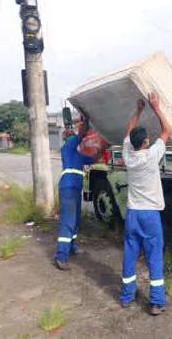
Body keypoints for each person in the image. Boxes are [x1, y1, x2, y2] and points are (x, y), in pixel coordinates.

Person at [120, 92, 171, 315]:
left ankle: (126, 296)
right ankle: (156, 302)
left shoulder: (128, 155)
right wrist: (156, 107)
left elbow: (129, 132)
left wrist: (139, 109)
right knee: (154, 257)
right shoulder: (151, 156)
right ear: (145, 142)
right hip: (150, 215)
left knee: (130, 255)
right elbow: (167, 131)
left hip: (132, 214)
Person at [55, 113, 110, 271]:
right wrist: (83, 126)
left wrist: (103, 148)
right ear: (66, 138)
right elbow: (79, 137)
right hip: (68, 189)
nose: (71, 134)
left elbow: (93, 159)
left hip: (74, 190)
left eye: (72, 133)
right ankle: (61, 257)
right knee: (68, 221)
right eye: (68, 134)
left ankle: (71, 247)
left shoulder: (78, 155)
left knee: (76, 219)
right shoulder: (66, 149)